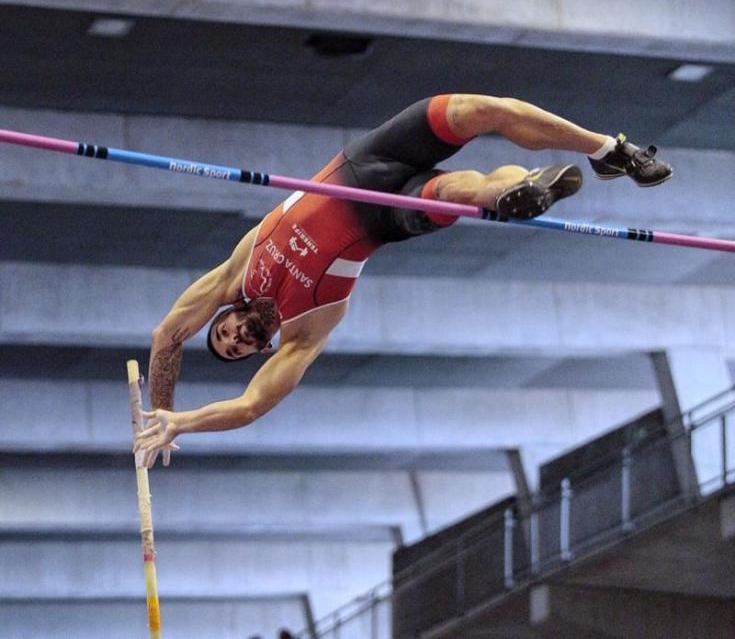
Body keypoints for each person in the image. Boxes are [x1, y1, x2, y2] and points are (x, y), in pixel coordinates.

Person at [134, 93, 671, 466]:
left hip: (365, 159)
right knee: (468, 192)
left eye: (224, 333)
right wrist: (184, 425)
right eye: (238, 349)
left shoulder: (238, 270)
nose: (235, 337)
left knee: (483, 110)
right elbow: (250, 407)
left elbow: (169, 336)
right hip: (384, 216)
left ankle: (607, 150)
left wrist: (161, 411)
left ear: (226, 315)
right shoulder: (303, 334)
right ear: (261, 348)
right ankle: (529, 188)